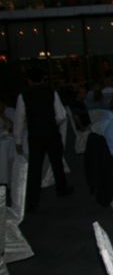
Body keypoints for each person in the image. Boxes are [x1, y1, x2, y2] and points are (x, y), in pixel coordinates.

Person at [13, 68, 73, 210]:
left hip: (35, 135)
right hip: (51, 132)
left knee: (35, 167)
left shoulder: (23, 95)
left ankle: (33, 200)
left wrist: (18, 140)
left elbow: (19, 120)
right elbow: (61, 115)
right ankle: (62, 189)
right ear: (43, 79)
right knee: (57, 162)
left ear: (28, 80)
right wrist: (51, 123)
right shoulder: (51, 92)